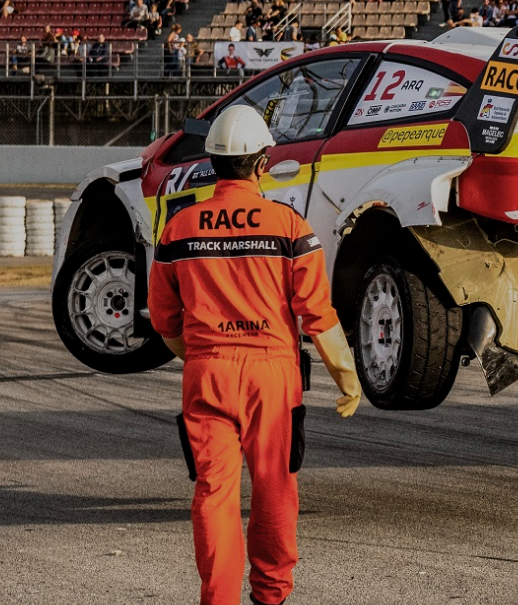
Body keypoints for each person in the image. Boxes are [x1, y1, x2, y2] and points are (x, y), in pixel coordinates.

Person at [148, 106, 362, 605]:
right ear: (263, 163)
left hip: (207, 371)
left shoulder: (178, 229)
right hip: (272, 377)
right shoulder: (290, 226)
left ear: (211, 162)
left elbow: (164, 323)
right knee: (274, 490)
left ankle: (218, 598)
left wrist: (200, 358)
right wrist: (348, 379)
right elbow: (319, 316)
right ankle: (270, 595)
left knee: (213, 495)